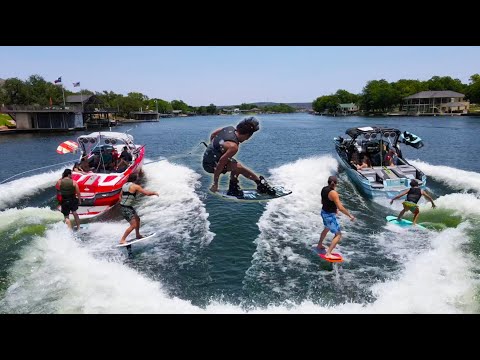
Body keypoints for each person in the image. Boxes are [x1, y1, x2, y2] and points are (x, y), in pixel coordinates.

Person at [202, 116, 275, 197]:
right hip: (209, 166)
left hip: (208, 158)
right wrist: (215, 184)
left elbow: (213, 135)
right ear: (247, 135)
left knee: (236, 165)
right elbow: (220, 164)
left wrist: (213, 148)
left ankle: (234, 187)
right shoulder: (233, 147)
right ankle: (260, 184)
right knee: (237, 167)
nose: (247, 140)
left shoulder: (228, 128)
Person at [316, 176, 355, 260]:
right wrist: (350, 215)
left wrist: (334, 209)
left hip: (324, 212)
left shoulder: (324, 189)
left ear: (328, 182)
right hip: (329, 216)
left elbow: (323, 201)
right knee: (338, 235)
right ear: (336, 183)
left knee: (326, 229)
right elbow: (341, 207)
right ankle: (328, 253)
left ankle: (319, 245)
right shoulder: (333, 193)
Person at [119, 173, 159, 245]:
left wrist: (124, 203)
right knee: (133, 225)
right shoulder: (135, 186)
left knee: (137, 219)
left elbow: (120, 196)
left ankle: (138, 235)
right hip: (126, 208)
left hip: (125, 207)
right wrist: (154, 193)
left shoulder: (124, 185)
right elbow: (146, 193)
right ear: (135, 179)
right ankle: (122, 239)